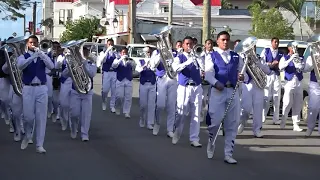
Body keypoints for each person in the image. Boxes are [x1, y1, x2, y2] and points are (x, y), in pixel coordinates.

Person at [205, 31, 244, 164]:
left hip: (232, 91)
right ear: (217, 41)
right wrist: (216, 83)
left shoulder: (236, 56)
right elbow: (208, 74)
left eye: (227, 40)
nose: (225, 42)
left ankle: (228, 154)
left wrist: (242, 77)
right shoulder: (212, 55)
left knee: (232, 124)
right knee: (215, 122)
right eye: (223, 40)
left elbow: (242, 73)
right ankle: (211, 140)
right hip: (218, 91)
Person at [17, 35, 54, 153]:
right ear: (27, 44)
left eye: (35, 43)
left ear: (38, 44)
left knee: (41, 117)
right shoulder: (23, 56)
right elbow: (20, 66)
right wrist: (32, 56)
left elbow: (51, 66)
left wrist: (41, 54)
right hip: (28, 88)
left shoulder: (43, 56)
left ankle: (39, 145)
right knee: (28, 117)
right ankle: (28, 135)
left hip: (42, 88)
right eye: (31, 43)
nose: (33, 44)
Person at [171, 36, 204, 147]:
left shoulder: (198, 56)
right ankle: (177, 132)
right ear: (184, 45)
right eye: (187, 44)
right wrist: (187, 62)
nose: (189, 46)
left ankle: (194, 138)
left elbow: (204, 69)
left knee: (196, 113)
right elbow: (175, 69)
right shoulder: (179, 57)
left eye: (191, 44)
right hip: (184, 87)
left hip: (196, 86)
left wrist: (197, 60)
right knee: (181, 112)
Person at [62, 47, 97, 141]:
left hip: (88, 91)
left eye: (87, 51)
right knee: (74, 113)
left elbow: (92, 74)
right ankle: (73, 128)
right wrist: (70, 67)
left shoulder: (91, 62)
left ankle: (84, 134)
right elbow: (64, 74)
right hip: (75, 91)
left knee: (86, 114)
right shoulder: (73, 62)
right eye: (83, 51)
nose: (85, 52)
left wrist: (83, 62)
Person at [237, 46, 271, 138]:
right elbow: (240, 72)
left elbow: (267, 71)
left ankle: (257, 129)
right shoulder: (241, 58)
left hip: (258, 86)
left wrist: (258, 63)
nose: (252, 49)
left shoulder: (259, 58)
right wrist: (245, 63)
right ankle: (242, 122)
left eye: (254, 47)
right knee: (246, 108)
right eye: (250, 47)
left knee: (258, 109)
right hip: (247, 85)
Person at [151, 34, 178, 137]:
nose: (166, 44)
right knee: (160, 105)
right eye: (164, 42)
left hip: (172, 79)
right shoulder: (156, 52)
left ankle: (169, 129)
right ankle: (157, 122)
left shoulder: (175, 53)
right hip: (161, 79)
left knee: (172, 106)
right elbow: (153, 65)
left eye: (167, 41)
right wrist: (161, 54)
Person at [278, 41, 304, 132]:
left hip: (299, 82)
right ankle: (283, 120)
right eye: (293, 47)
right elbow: (280, 67)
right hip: (289, 82)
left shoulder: (300, 57)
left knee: (298, 103)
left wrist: (299, 64)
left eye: (296, 47)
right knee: (287, 102)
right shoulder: (284, 57)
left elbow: (302, 69)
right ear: (289, 48)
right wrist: (290, 59)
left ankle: (296, 124)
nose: (295, 48)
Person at [261, 37, 283, 125]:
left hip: (277, 75)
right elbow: (261, 62)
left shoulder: (281, 53)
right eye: (275, 42)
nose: (276, 44)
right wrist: (270, 64)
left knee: (277, 97)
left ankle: (276, 118)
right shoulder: (266, 51)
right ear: (271, 42)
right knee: (266, 96)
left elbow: (282, 64)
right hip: (268, 75)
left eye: (278, 42)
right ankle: (263, 117)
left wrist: (278, 66)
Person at [135, 46, 156, 129]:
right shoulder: (140, 61)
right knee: (143, 104)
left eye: (149, 52)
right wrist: (144, 66)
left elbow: (157, 70)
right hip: (143, 84)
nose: (148, 54)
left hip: (152, 84)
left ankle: (150, 122)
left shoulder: (154, 61)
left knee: (151, 104)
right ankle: (142, 118)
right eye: (147, 52)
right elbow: (138, 70)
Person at [112, 47, 136, 118]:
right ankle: (117, 107)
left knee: (128, 97)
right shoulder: (117, 60)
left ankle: (127, 112)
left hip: (128, 80)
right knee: (119, 96)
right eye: (123, 52)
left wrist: (131, 62)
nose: (124, 54)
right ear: (120, 53)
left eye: (125, 52)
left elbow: (134, 68)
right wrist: (121, 59)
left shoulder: (130, 60)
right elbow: (114, 66)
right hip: (120, 80)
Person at [304, 53, 320, 136]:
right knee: (313, 107)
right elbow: (306, 69)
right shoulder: (312, 56)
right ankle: (310, 127)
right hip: (315, 84)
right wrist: (314, 63)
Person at [100, 39, 118, 112]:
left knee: (114, 90)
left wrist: (116, 53)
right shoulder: (103, 52)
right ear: (107, 45)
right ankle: (104, 101)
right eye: (109, 44)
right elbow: (102, 60)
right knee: (105, 90)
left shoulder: (115, 53)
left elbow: (118, 61)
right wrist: (107, 51)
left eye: (111, 44)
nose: (110, 46)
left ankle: (112, 106)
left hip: (114, 72)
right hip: (106, 72)